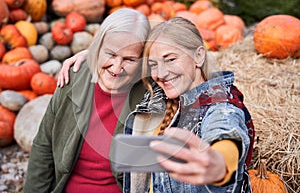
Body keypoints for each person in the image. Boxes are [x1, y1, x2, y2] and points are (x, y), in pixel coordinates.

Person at [58, 17, 255, 193]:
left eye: (170, 59)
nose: (160, 73)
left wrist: (220, 164)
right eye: (153, 64)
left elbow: (225, 132)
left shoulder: (221, 105)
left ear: (198, 56)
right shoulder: (160, 92)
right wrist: (95, 55)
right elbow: (125, 60)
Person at [23, 8, 150, 193]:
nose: (117, 67)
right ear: (98, 47)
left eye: (129, 59)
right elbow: (44, 146)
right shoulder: (73, 77)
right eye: (111, 54)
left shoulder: (150, 92)